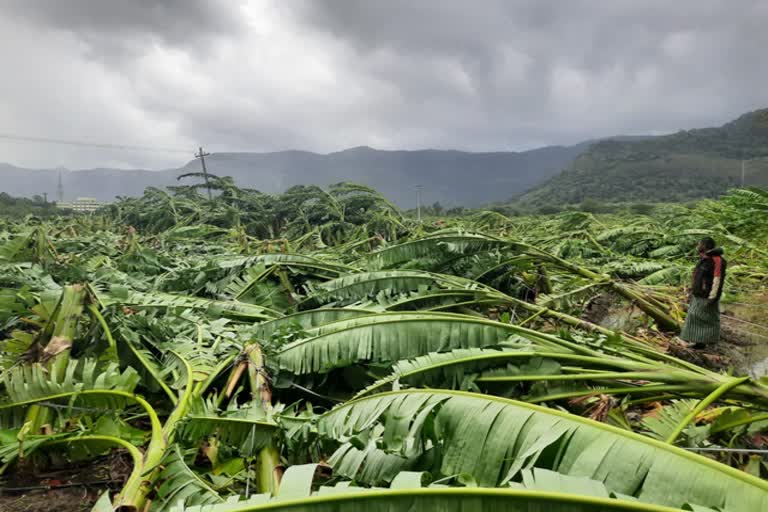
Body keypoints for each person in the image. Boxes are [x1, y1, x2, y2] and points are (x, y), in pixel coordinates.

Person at [680, 237, 726, 347]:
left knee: (710, 319)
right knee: (693, 316)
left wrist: (712, 297)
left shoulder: (717, 260)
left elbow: (717, 279)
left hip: (707, 295)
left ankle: (710, 341)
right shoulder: (704, 258)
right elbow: (697, 275)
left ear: (705, 246)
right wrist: (692, 290)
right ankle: (698, 342)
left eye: (700, 244)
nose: (698, 245)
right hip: (699, 293)